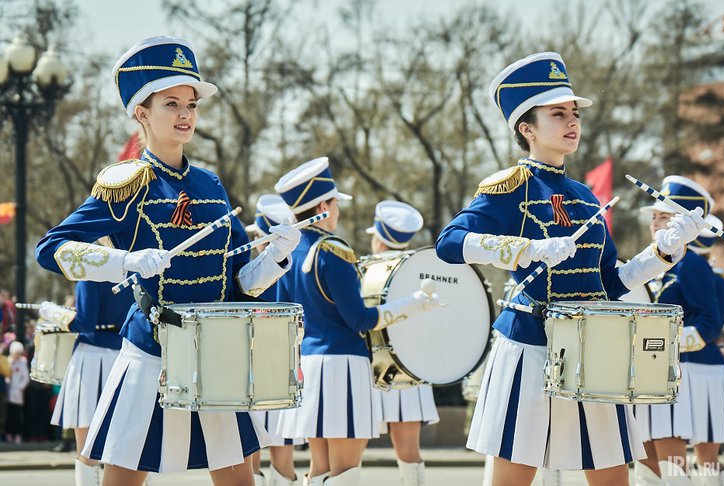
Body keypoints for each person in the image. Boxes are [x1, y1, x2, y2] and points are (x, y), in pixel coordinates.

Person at [35, 36, 300, 486]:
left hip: (218, 355)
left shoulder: (211, 185)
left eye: (191, 104)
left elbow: (236, 282)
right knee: (122, 479)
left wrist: (275, 256)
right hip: (152, 354)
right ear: (141, 112)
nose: (185, 115)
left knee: (239, 480)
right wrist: (125, 261)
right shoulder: (126, 183)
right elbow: (52, 248)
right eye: (171, 103)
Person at [434, 52, 706, 486]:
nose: (571, 122)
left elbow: (610, 283)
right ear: (527, 128)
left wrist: (663, 251)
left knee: (613, 477)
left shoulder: (584, 196)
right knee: (512, 478)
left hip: (592, 349)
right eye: (557, 113)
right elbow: (448, 243)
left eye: (574, 113)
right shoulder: (508, 188)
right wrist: (526, 249)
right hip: (529, 347)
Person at [273, 157, 441, 486]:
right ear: (323, 205)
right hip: (342, 368)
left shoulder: (289, 253)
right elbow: (361, 320)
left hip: (308, 367)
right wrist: (414, 305)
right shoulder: (334, 251)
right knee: (345, 474)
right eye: (334, 203)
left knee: (319, 470)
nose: (337, 211)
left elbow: (283, 315)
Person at [634, 196, 724, 486]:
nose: (655, 224)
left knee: (680, 461)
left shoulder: (690, 265)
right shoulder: (649, 262)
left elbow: (709, 323)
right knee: (649, 463)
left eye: (664, 217)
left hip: (682, 370)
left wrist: (664, 343)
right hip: (649, 372)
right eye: (655, 218)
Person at [365, 200, 439, 486]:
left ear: (380, 241)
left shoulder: (370, 270)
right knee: (409, 452)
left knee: (348, 451)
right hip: (411, 368)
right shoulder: (420, 270)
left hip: (376, 369)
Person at [40, 280, 134, 486]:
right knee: (131, 451)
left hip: (91, 358)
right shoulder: (136, 271)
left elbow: (85, 322)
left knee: (87, 450)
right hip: (129, 356)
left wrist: (52, 312)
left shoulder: (91, 272)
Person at [244, 194, 304, 486]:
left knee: (250, 451)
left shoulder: (253, 269)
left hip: (251, 363)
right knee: (283, 451)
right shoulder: (293, 264)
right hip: (283, 362)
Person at [5, 341, 29, 444]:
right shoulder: (8, 361)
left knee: (18, 416)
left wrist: (19, 387)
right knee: (9, 415)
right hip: (8, 392)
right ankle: (9, 434)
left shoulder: (23, 362)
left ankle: (18, 435)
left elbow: (26, 378)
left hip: (18, 393)